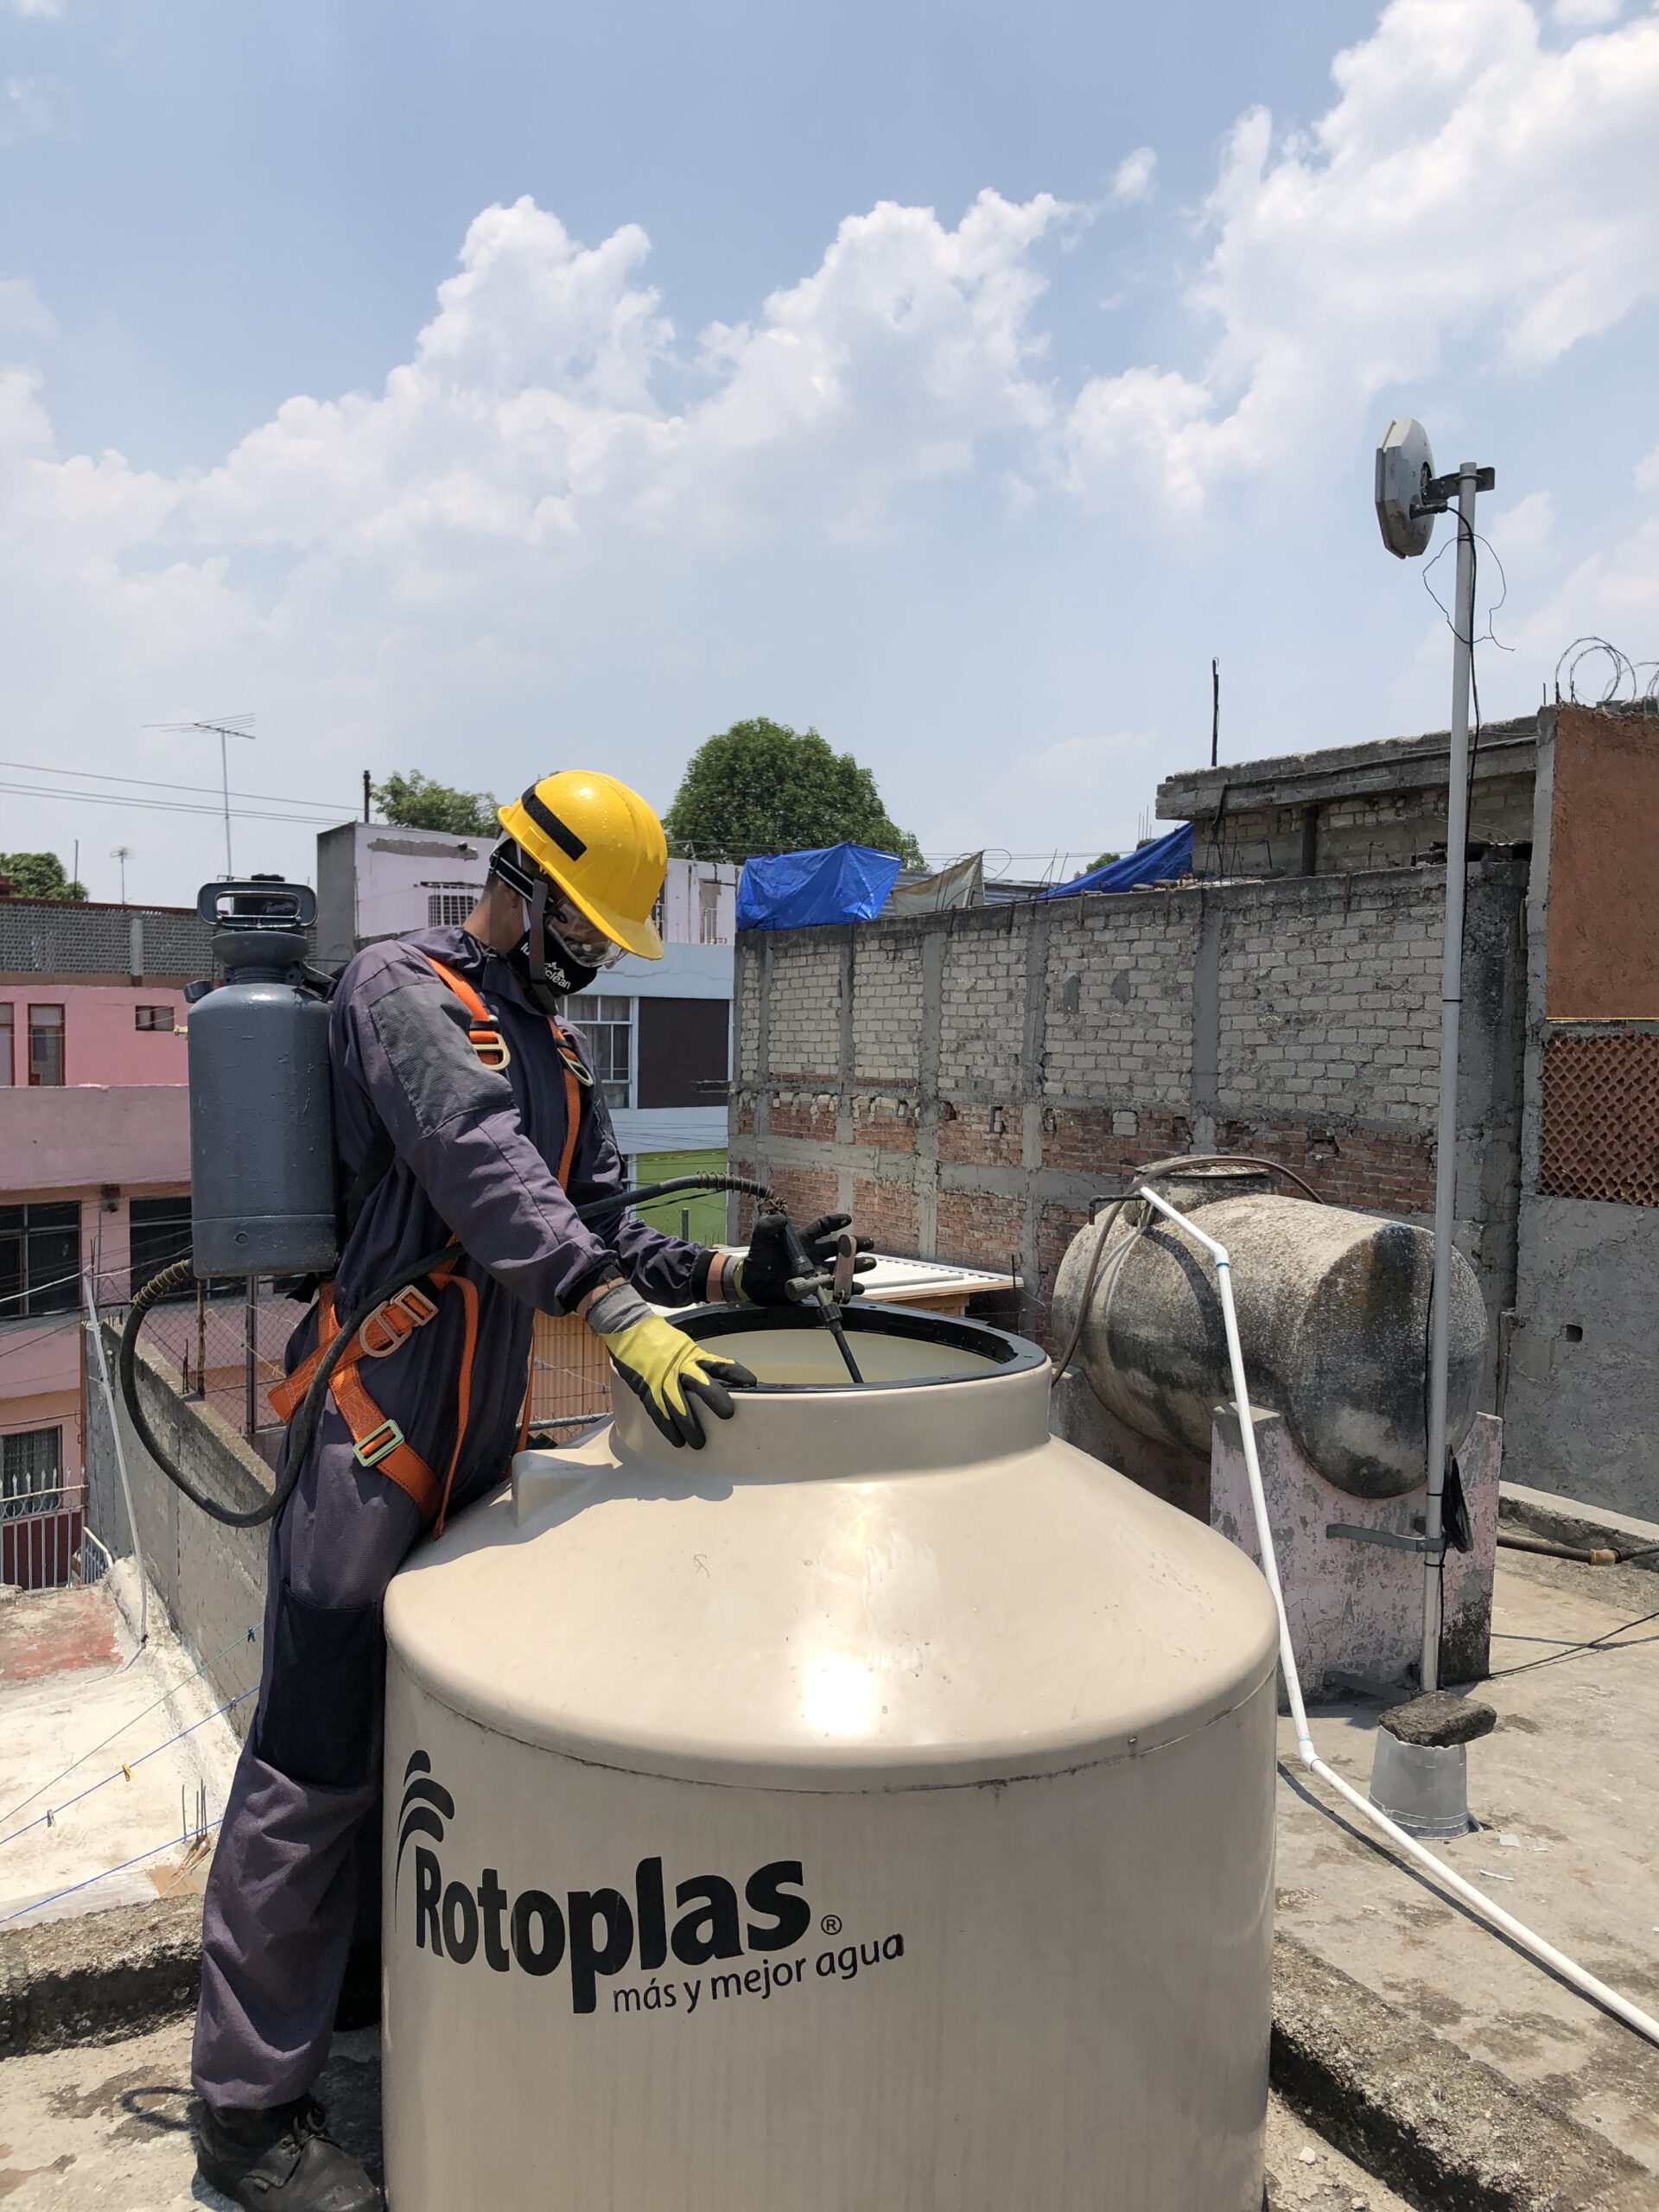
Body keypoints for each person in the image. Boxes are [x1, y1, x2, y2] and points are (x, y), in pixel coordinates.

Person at [191, 770, 868, 2209]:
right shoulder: (402, 989)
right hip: (372, 1441)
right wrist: (614, 1316)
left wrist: (738, 1272)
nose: (602, 953)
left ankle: (346, 2011)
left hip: (471, 1450)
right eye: (592, 926)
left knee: (404, 1747)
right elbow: (480, 1168)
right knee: (309, 1766)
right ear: (527, 886)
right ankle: (244, 2116)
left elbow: (600, 1220)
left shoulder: (554, 1045)